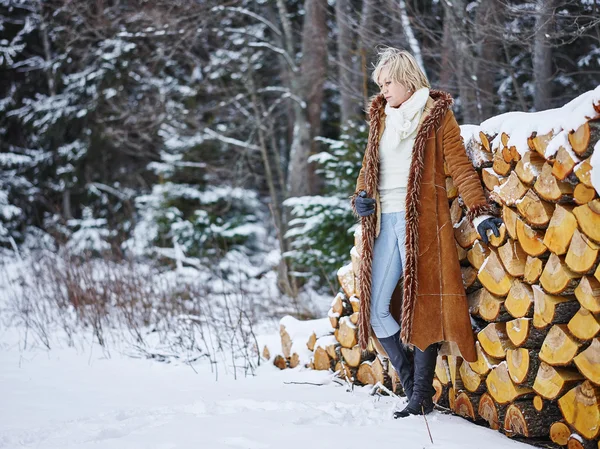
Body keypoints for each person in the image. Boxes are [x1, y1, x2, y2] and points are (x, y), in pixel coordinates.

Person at [350, 48, 502, 418]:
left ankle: (419, 396)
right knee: (374, 310)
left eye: (388, 82)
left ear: (407, 78)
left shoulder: (436, 115)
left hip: (423, 223)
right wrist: (361, 199)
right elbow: (367, 171)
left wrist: (479, 211)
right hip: (384, 222)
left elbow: (461, 167)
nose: (383, 89)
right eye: (380, 84)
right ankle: (411, 381)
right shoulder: (380, 119)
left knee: (424, 307)